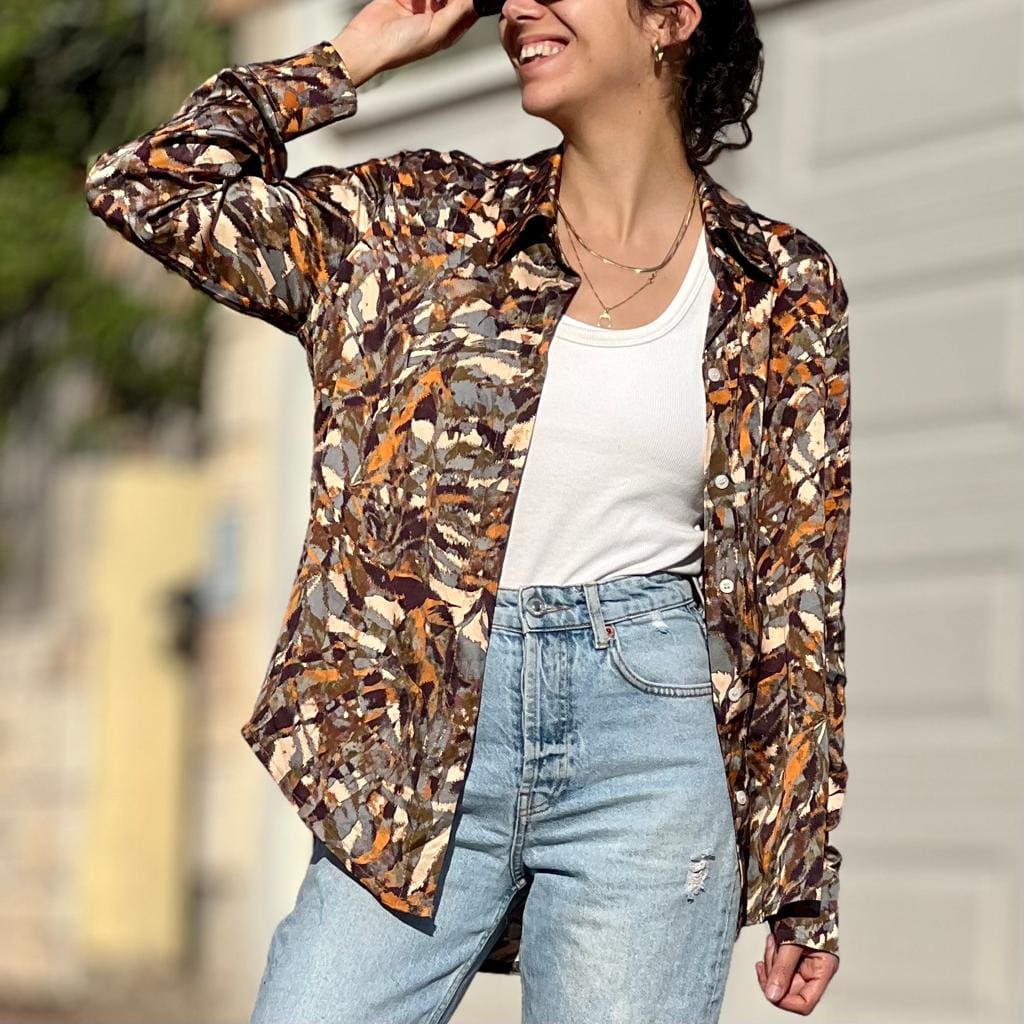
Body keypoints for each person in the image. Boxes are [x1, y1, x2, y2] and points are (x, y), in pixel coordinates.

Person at [83, 0, 851, 1019]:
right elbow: (150, 186)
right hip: (423, 721)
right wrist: (354, 53)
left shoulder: (779, 285)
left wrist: (803, 871)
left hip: (652, 732)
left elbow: (799, 591)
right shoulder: (421, 226)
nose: (521, 5)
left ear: (670, 16)